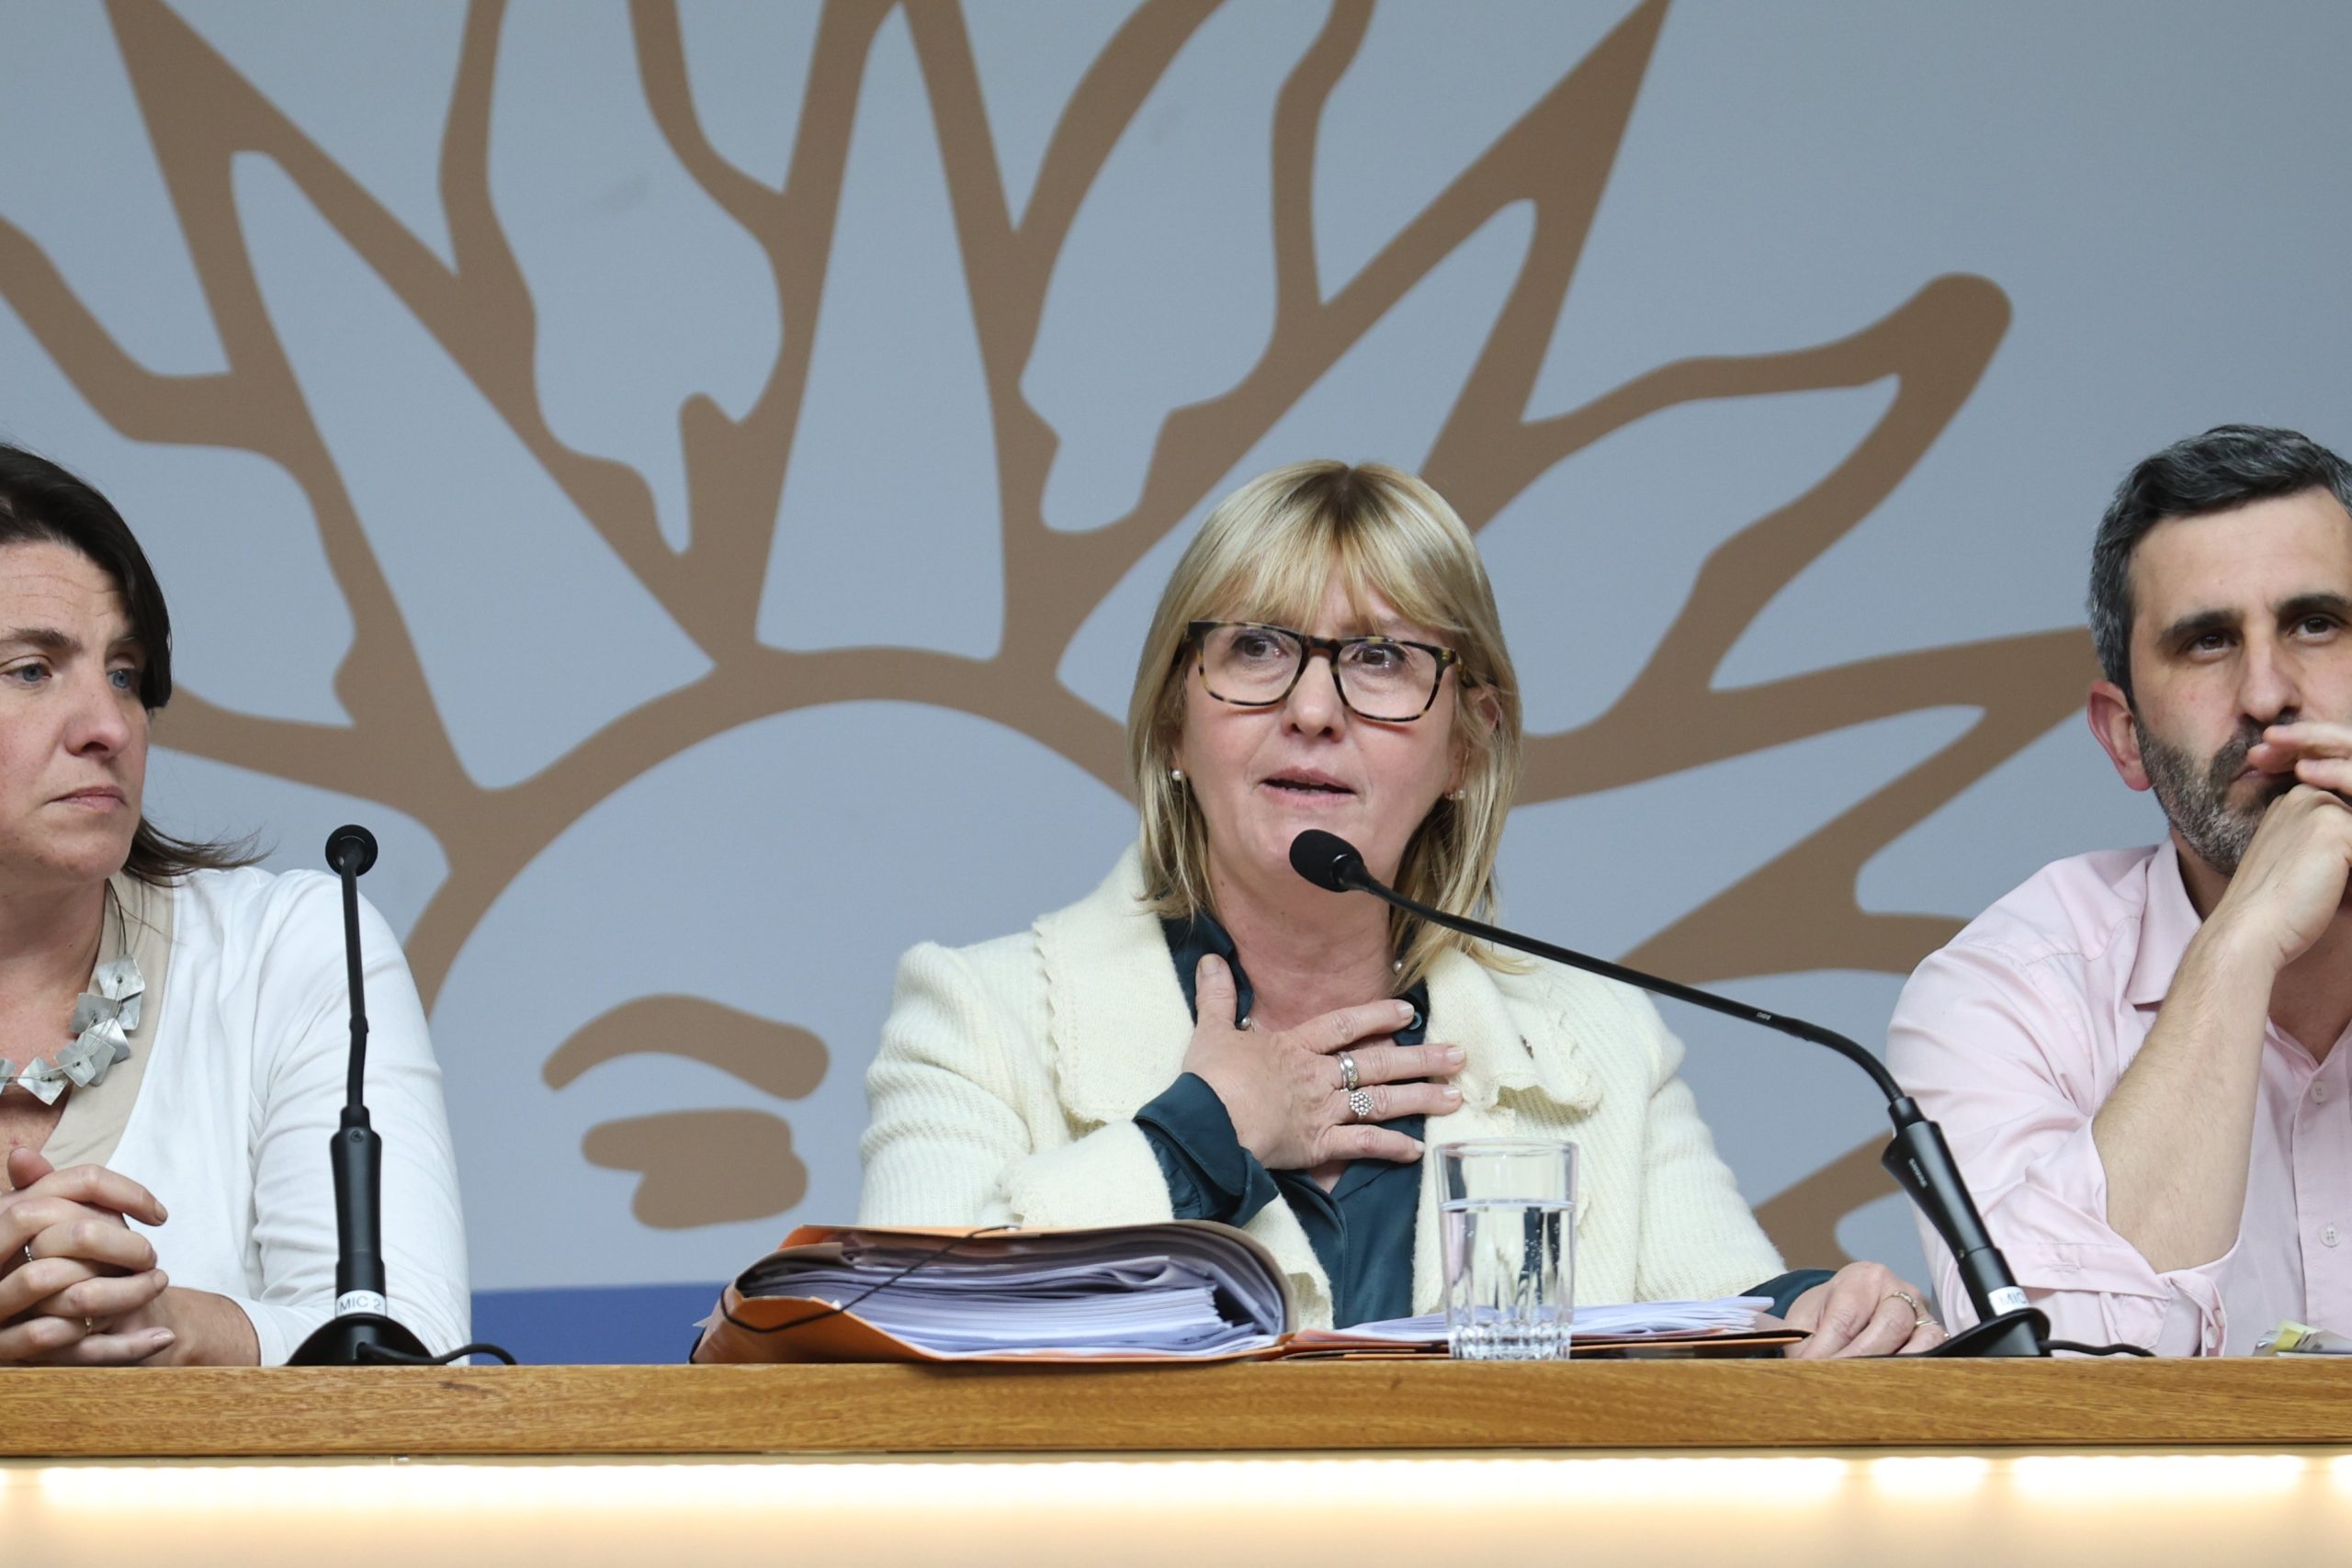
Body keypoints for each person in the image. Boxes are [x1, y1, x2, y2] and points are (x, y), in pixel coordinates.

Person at [860, 460, 1942, 1356]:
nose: (1312, 709)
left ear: (1466, 744)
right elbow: (888, 1338)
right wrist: (1202, 1139)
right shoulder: (978, 1015)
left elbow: (1731, 1318)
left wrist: (1824, 1315)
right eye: (1256, 648)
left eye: (1379, 659)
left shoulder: (1599, 1046)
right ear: (1172, 722)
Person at [1888, 424, 2352, 1355]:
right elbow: (2063, 1374)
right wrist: (2239, 945)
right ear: (2125, 737)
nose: (2268, 694)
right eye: (2208, 642)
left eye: (2316, 623)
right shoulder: (1998, 995)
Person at [0, 444, 468, 1366]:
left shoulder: (288, 952)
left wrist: (175, 1330)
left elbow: (413, 1357)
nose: (108, 726)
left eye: (125, 672)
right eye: (31, 669)